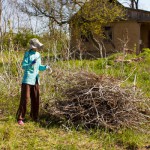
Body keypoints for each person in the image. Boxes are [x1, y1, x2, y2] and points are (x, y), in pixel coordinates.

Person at [16, 38, 51, 125]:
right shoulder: (27, 54)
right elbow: (23, 66)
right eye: (36, 46)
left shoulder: (38, 54)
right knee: (25, 99)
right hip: (27, 79)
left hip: (36, 79)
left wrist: (46, 67)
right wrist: (30, 64)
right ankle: (20, 118)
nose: (37, 48)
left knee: (36, 98)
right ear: (33, 46)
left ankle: (34, 117)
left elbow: (39, 67)